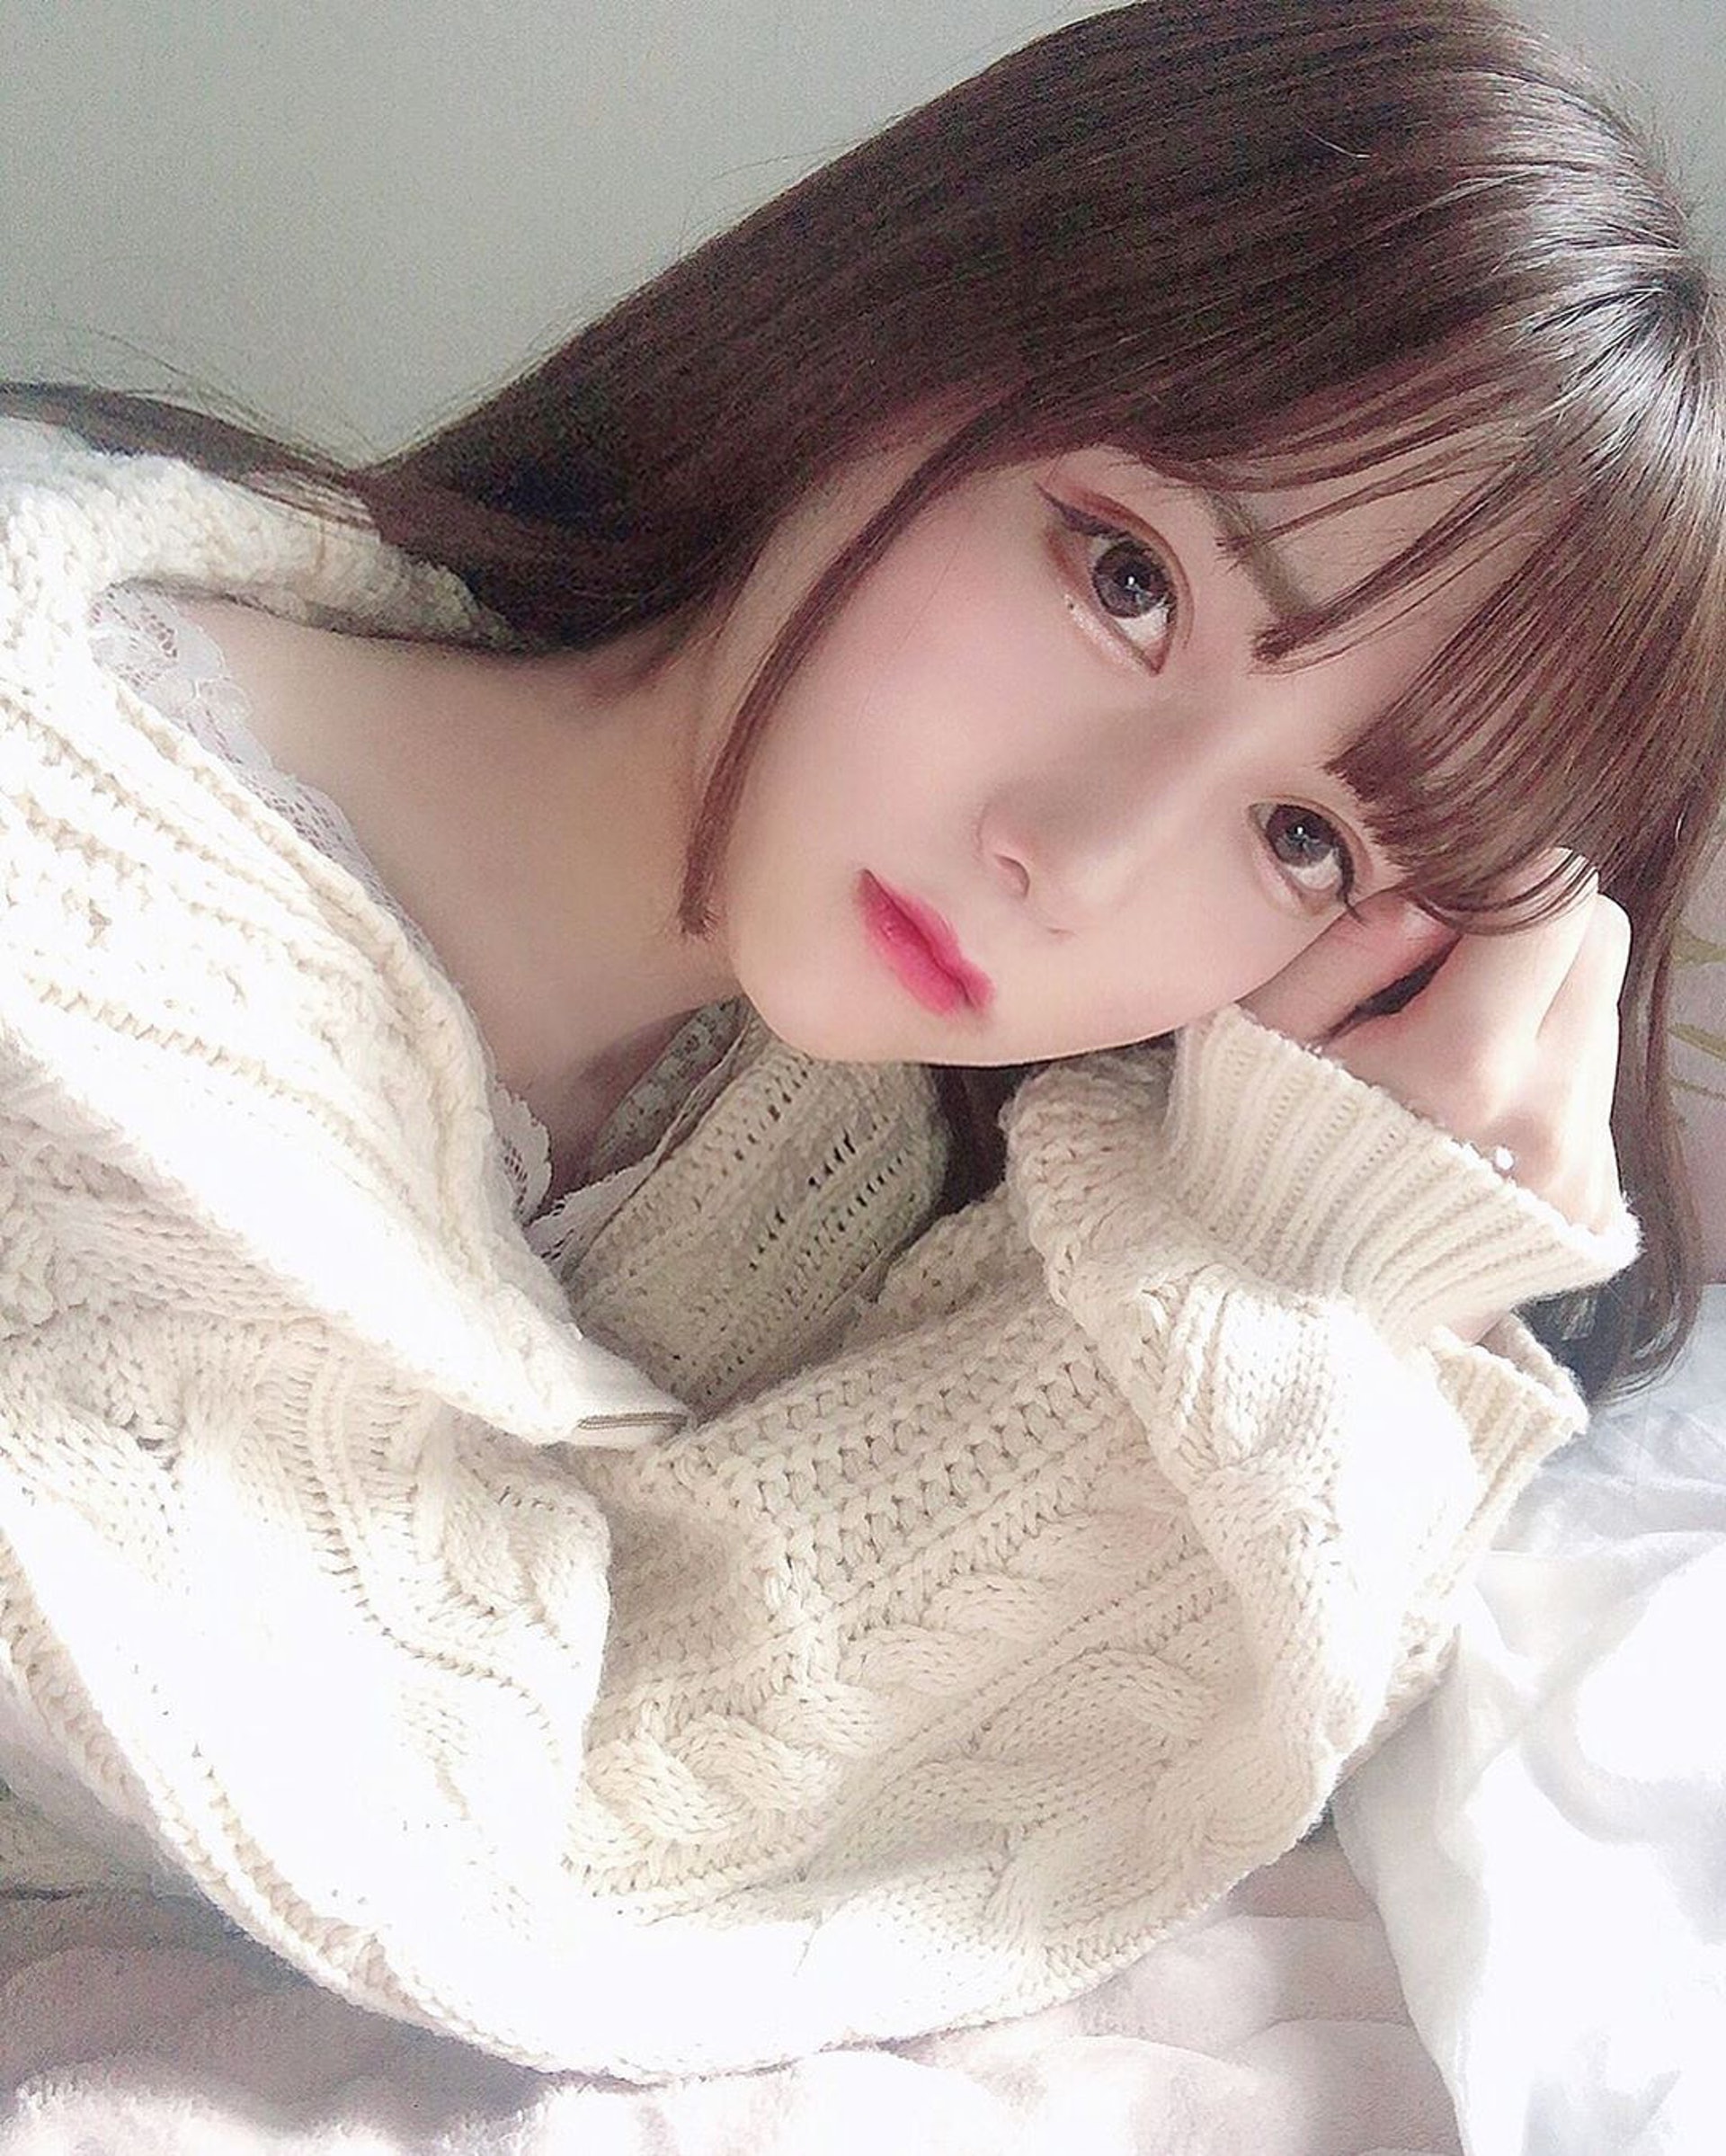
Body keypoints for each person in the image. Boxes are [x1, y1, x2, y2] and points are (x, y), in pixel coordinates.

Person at [0, 0, 1721, 2080]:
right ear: (920, 334)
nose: (1079, 859)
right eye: (1128, 581)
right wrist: (1268, 1258)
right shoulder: (57, 855)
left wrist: (1334, 1220)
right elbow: (507, 1821)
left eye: (1301, 839)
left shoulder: (863, 1165)